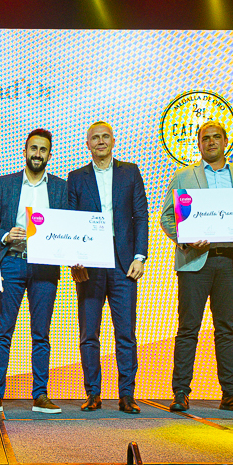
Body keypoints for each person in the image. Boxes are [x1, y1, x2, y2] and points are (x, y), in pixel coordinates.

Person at [159, 121, 233, 413]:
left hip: (229, 261)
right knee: (188, 328)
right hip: (195, 262)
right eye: (205, 138)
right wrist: (186, 239)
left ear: (225, 141)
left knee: (227, 329)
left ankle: (230, 393)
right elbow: (166, 217)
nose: (211, 142)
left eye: (216, 137)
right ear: (199, 144)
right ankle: (180, 392)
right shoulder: (183, 176)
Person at [0, 129, 68, 415]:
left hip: (45, 267)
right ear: (25, 151)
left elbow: (68, 226)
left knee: (41, 334)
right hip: (12, 262)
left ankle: (40, 395)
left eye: (43, 150)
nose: (37, 154)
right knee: (3, 331)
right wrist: (6, 235)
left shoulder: (60, 187)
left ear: (49, 155)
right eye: (33, 148)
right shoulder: (6, 183)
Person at [68, 121, 148, 414]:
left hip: (124, 263)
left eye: (105, 137)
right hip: (89, 264)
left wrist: (140, 256)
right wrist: (74, 258)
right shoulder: (76, 177)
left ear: (113, 141)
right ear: (87, 144)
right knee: (89, 333)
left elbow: (141, 215)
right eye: (95, 138)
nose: (100, 141)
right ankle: (93, 393)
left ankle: (126, 395)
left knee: (125, 333)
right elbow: (70, 219)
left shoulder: (130, 172)